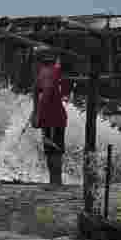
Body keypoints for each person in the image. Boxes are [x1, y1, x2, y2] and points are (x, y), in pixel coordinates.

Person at [31, 47, 70, 188]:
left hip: (54, 118)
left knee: (54, 150)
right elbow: (35, 91)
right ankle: (53, 181)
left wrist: (38, 114)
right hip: (50, 117)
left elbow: (46, 94)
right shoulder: (44, 72)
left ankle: (56, 181)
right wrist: (35, 113)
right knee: (50, 148)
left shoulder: (49, 72)